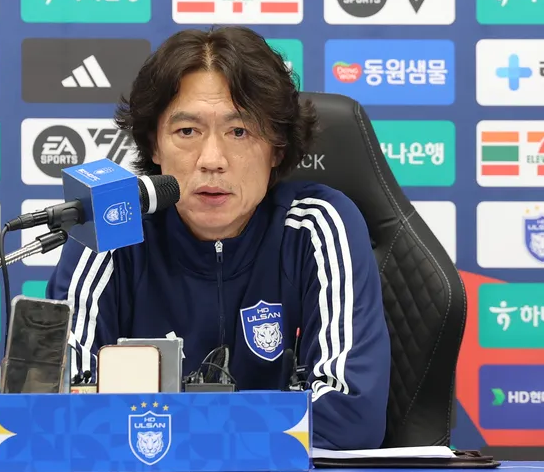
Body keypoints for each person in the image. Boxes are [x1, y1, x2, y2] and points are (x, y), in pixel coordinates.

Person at [46, 26, 391, 450]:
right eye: (187, 132)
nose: (212, 160)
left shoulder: (317, 224)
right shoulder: (112, 230)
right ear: (154, 145)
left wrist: (164, 423)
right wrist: (242, 425)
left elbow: (350, 416)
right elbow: (52, 414)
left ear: (277, 147)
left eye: (239, 131)